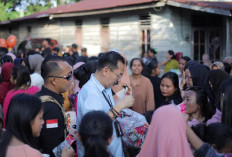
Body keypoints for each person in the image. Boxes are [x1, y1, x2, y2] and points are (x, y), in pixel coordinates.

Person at [76, 51, 134, 157]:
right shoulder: (90, 92)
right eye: (118, 75)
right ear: (106, 71)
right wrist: (120, 106)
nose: (119, 80)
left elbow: (107, 112)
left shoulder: (105, 87)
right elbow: (95, 126)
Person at [0, 94, 75, 157]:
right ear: (29, 119)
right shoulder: (31, 154)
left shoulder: (4, 147)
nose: (43, 122)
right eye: (40, 118)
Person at [35, 56, 73, 156]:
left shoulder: (38, 96)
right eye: (68, 76)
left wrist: (72, 137)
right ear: (54, 80)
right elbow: (53, 149)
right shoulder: (51, 109)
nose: (71, 80)